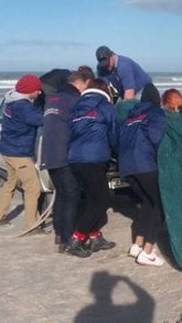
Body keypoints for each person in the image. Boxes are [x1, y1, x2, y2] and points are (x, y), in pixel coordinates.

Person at [40, 66, 93, 252]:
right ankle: (69, 239)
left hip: (49, 155)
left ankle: (59, 234)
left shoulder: (52, 99)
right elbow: (79, 127)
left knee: (62, 195)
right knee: (72, 196)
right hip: (64, 154)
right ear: (80, 84)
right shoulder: (74, 100)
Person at [65, 76, 118, 257]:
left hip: (74, 160)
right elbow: (113, 134)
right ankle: (76, 239)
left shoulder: (76, 108)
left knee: (91, 200)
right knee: (102, 201)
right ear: (105, 91)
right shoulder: (105, 108)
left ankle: (95, 236)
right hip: (94, 160)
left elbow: (70, 134)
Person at [118, 87, 167, 267]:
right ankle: (147, 252)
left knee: (147, 202)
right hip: (144, 164)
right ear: (157, 100)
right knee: (159, 206)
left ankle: (137, 245)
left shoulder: (130, 117)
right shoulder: (155, 114)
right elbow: (156, 138)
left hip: (126, 167)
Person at [0, 74, 44, 231]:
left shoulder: (11, 100)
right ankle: (32, 225)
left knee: (11, 182)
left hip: (7, 149)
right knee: (33, 187)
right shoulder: (23, 106)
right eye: (37, 90)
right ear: (29, 91)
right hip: (18, 153)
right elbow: (41, 120)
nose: (40, 93)